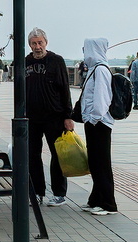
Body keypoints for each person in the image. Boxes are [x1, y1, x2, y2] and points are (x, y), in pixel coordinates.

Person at [24, 28, 75, 207]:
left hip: (55, 116)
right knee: (32, 155)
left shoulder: (56, 61)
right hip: (31, 117)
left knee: (58, 154)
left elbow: (65, 89)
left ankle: (59, 194)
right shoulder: (25, 62)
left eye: (40, 43)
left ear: (46, 42)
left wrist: (68, 116)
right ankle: (37, 192)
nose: (37, 47)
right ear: (29, 45)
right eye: (34, 43)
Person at [79, 37, 118, 215]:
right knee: (95, 162)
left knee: (102, 163)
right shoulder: (94, 69)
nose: (84, 52)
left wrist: (94, 118)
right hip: (93, 122)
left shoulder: (101, 70)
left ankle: (108, 204)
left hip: (99, 123)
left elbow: (102, 98)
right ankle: (95, 199)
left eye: (86, 48)